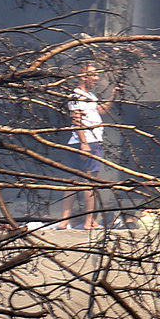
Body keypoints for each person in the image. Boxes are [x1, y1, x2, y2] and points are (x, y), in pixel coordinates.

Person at [65, 67, 107, 229]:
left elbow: (101, 111)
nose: (96, 78)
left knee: (73, 181)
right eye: (94, 75)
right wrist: (84, 143)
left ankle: (64, 221)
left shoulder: (90, 96)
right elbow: (77, 119)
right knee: (89, 182)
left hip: (84, 142)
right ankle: (89, 221)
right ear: (83, 76)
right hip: (87, 142)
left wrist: (113, 95)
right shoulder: (76, 96)